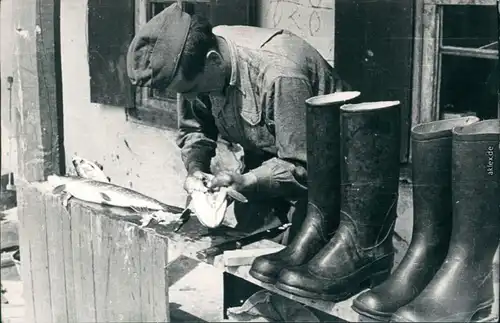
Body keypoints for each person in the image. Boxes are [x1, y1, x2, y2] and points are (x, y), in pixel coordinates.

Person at [126, 3, 349, 239]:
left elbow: (303, 165)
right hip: (267, 168)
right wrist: (196, 169)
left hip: (328, 180)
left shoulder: (280, 76)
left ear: (213, 60)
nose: (190, 99)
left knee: (294, 267)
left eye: (192, 89)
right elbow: (195, 129)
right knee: (243, 246)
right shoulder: (193, 59)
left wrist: (248, 180)